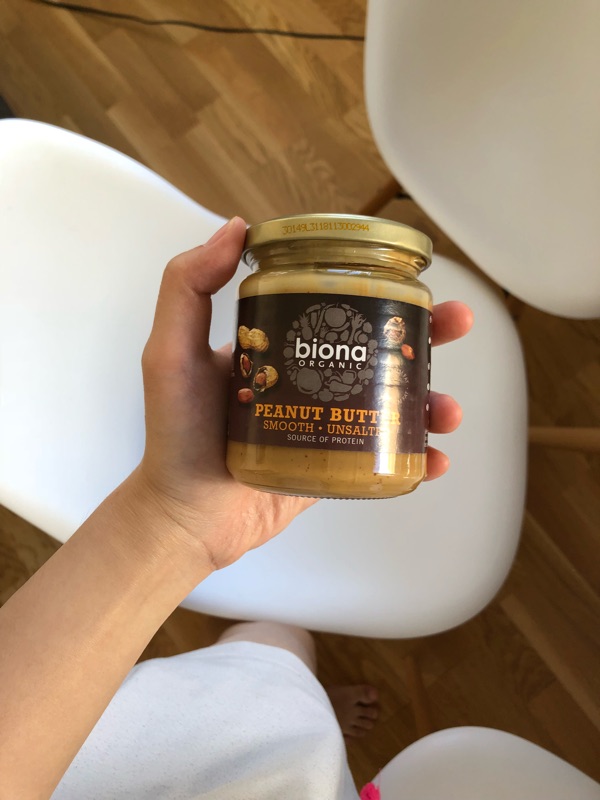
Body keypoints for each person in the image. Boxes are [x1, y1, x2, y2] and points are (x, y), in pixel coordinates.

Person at [0, 218, 472, 799]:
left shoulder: (298, 289)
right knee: (274, 649)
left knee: (272, 642)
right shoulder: (281, 288)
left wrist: (170, 516)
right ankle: (302, 694)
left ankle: (299, 688)